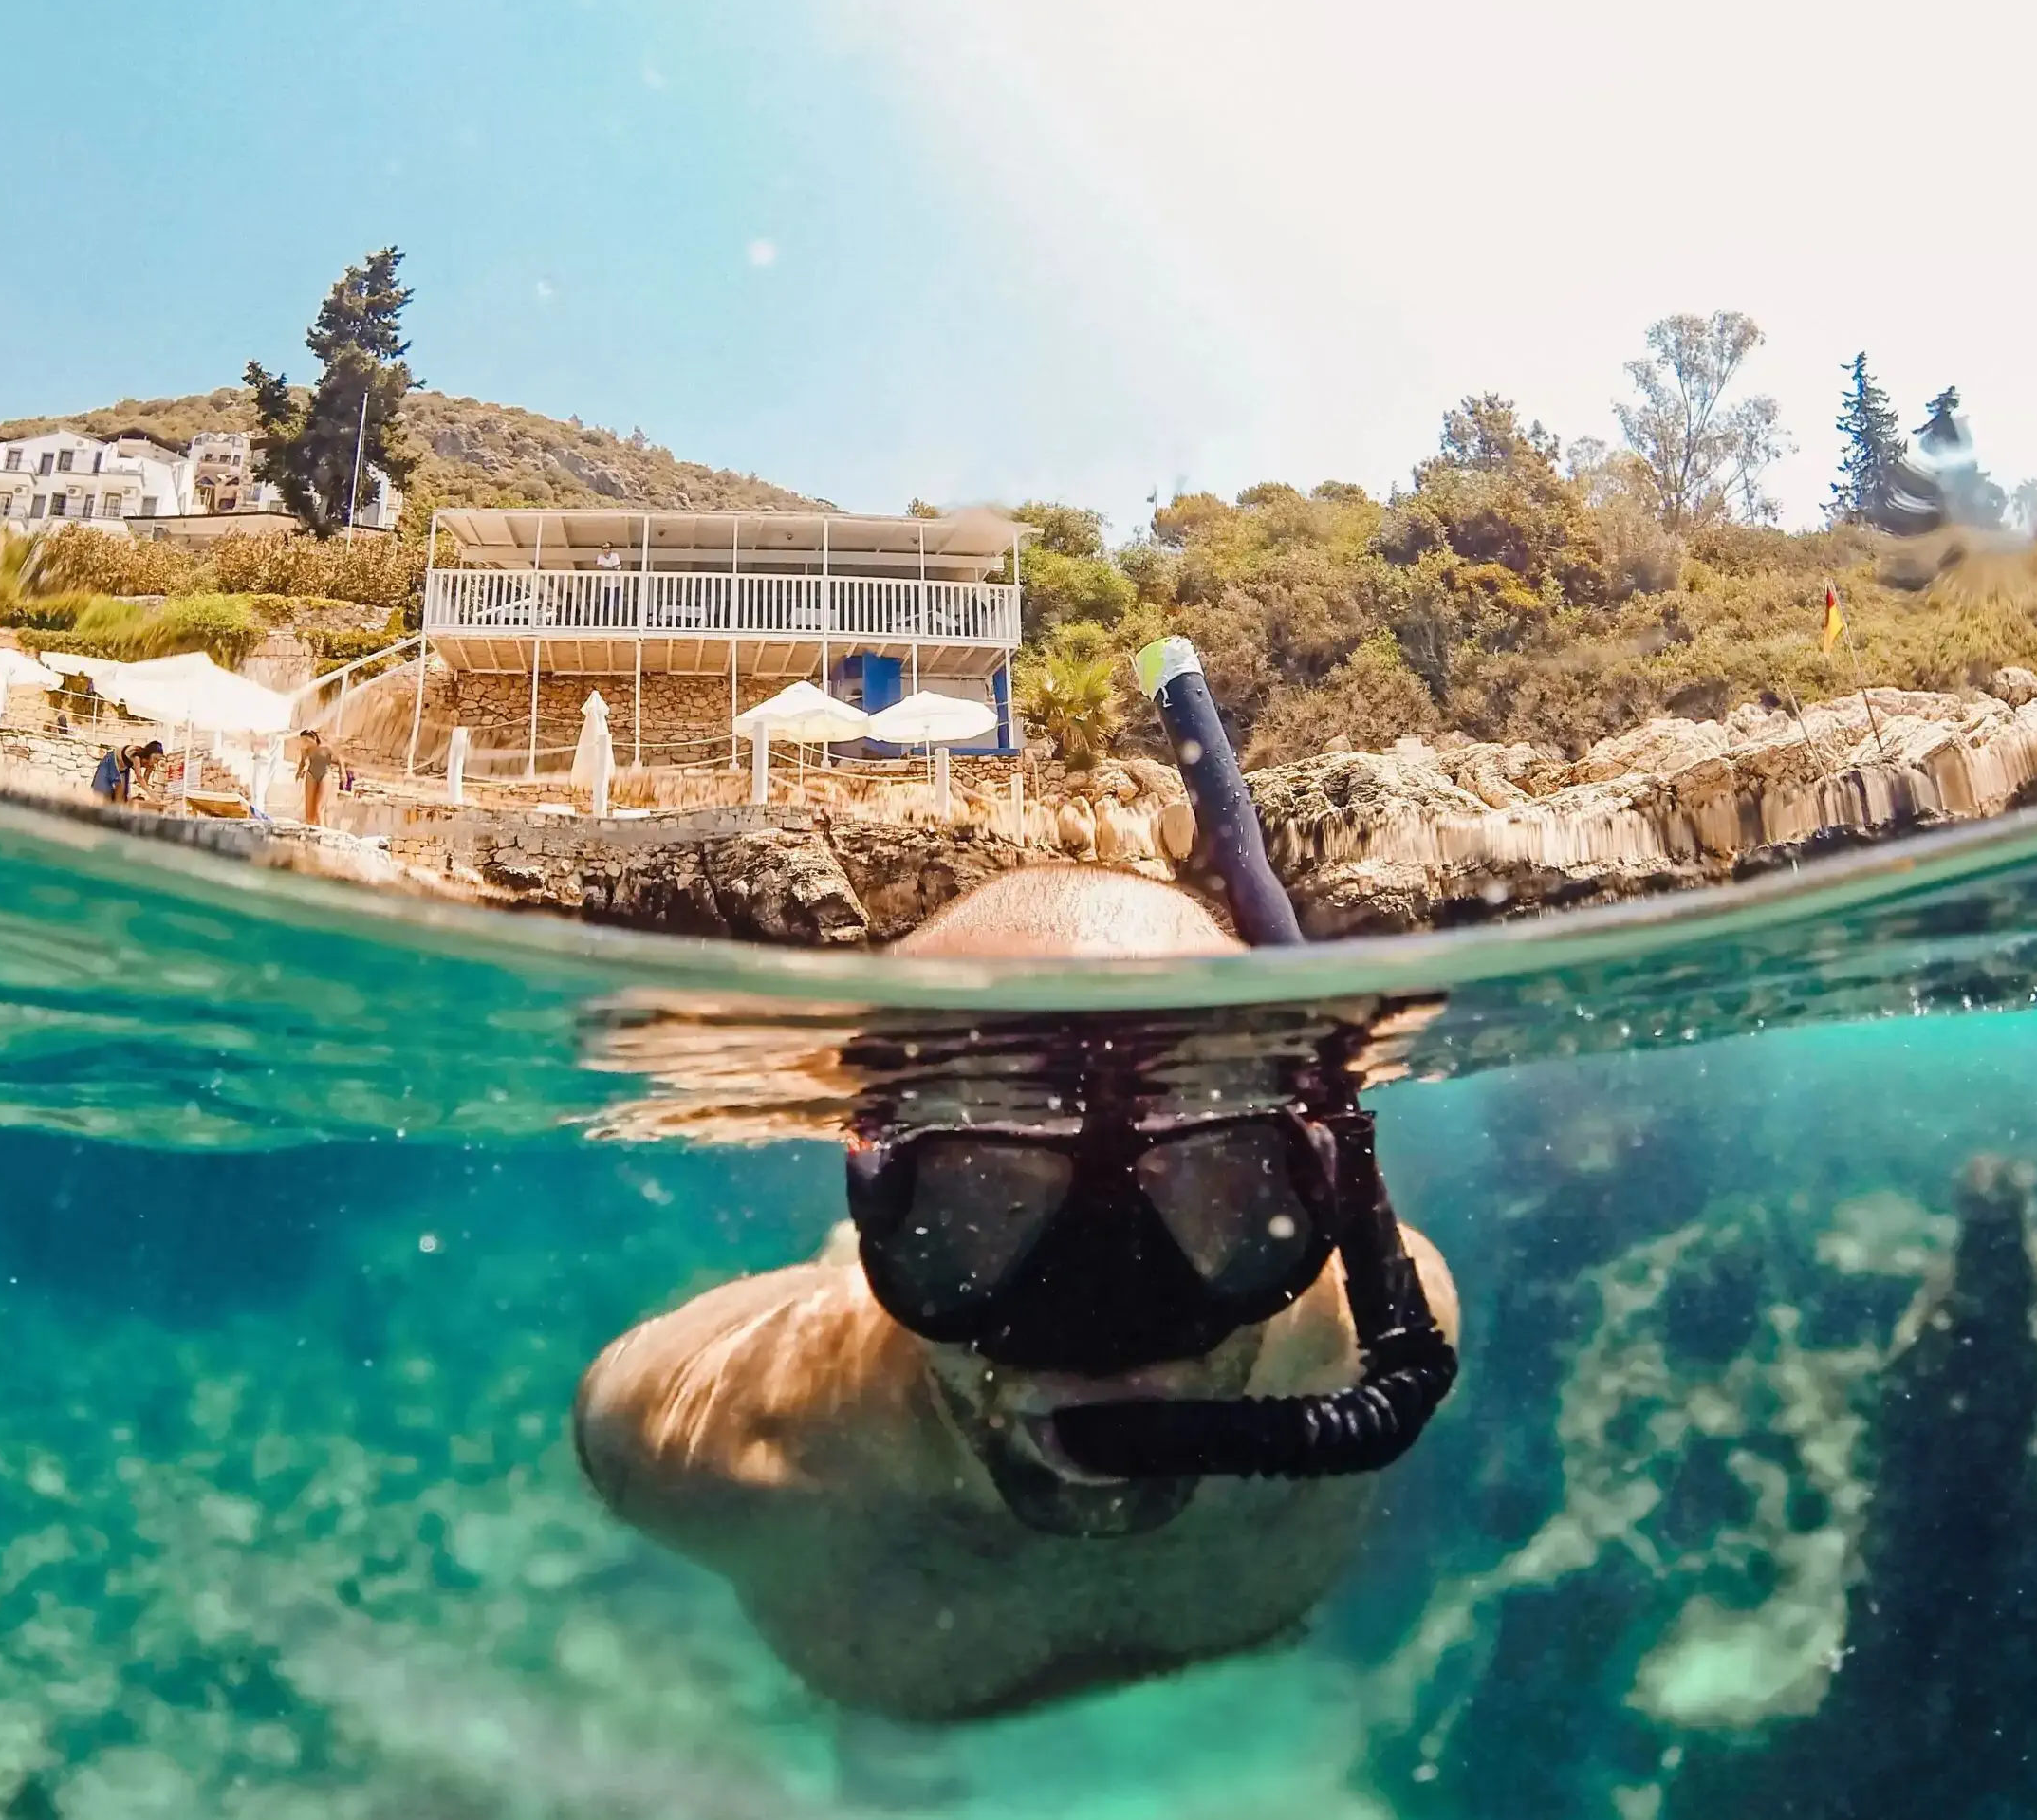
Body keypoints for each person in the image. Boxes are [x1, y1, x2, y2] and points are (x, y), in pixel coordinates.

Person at [575, 644, 1458, 1729]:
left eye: (1214, 1193)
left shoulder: (1382, 1331)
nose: (1104, 1323)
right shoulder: (706, 1445)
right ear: (878, 1203)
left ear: (1319, 1199)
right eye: (981, 1209)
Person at [293, 728, 338, 826]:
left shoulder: (326, 747)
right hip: (311, 773)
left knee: (318, 807)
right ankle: (311, 830)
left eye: (306, 740)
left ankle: (321, 831)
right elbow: (303, 761)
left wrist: (343, 773)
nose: (304, 743)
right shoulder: (306, 749)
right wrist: (299, 772)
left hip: (325, 773)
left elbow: (339, 760)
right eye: (303, 740)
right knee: (309, 810)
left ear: (313, 738)